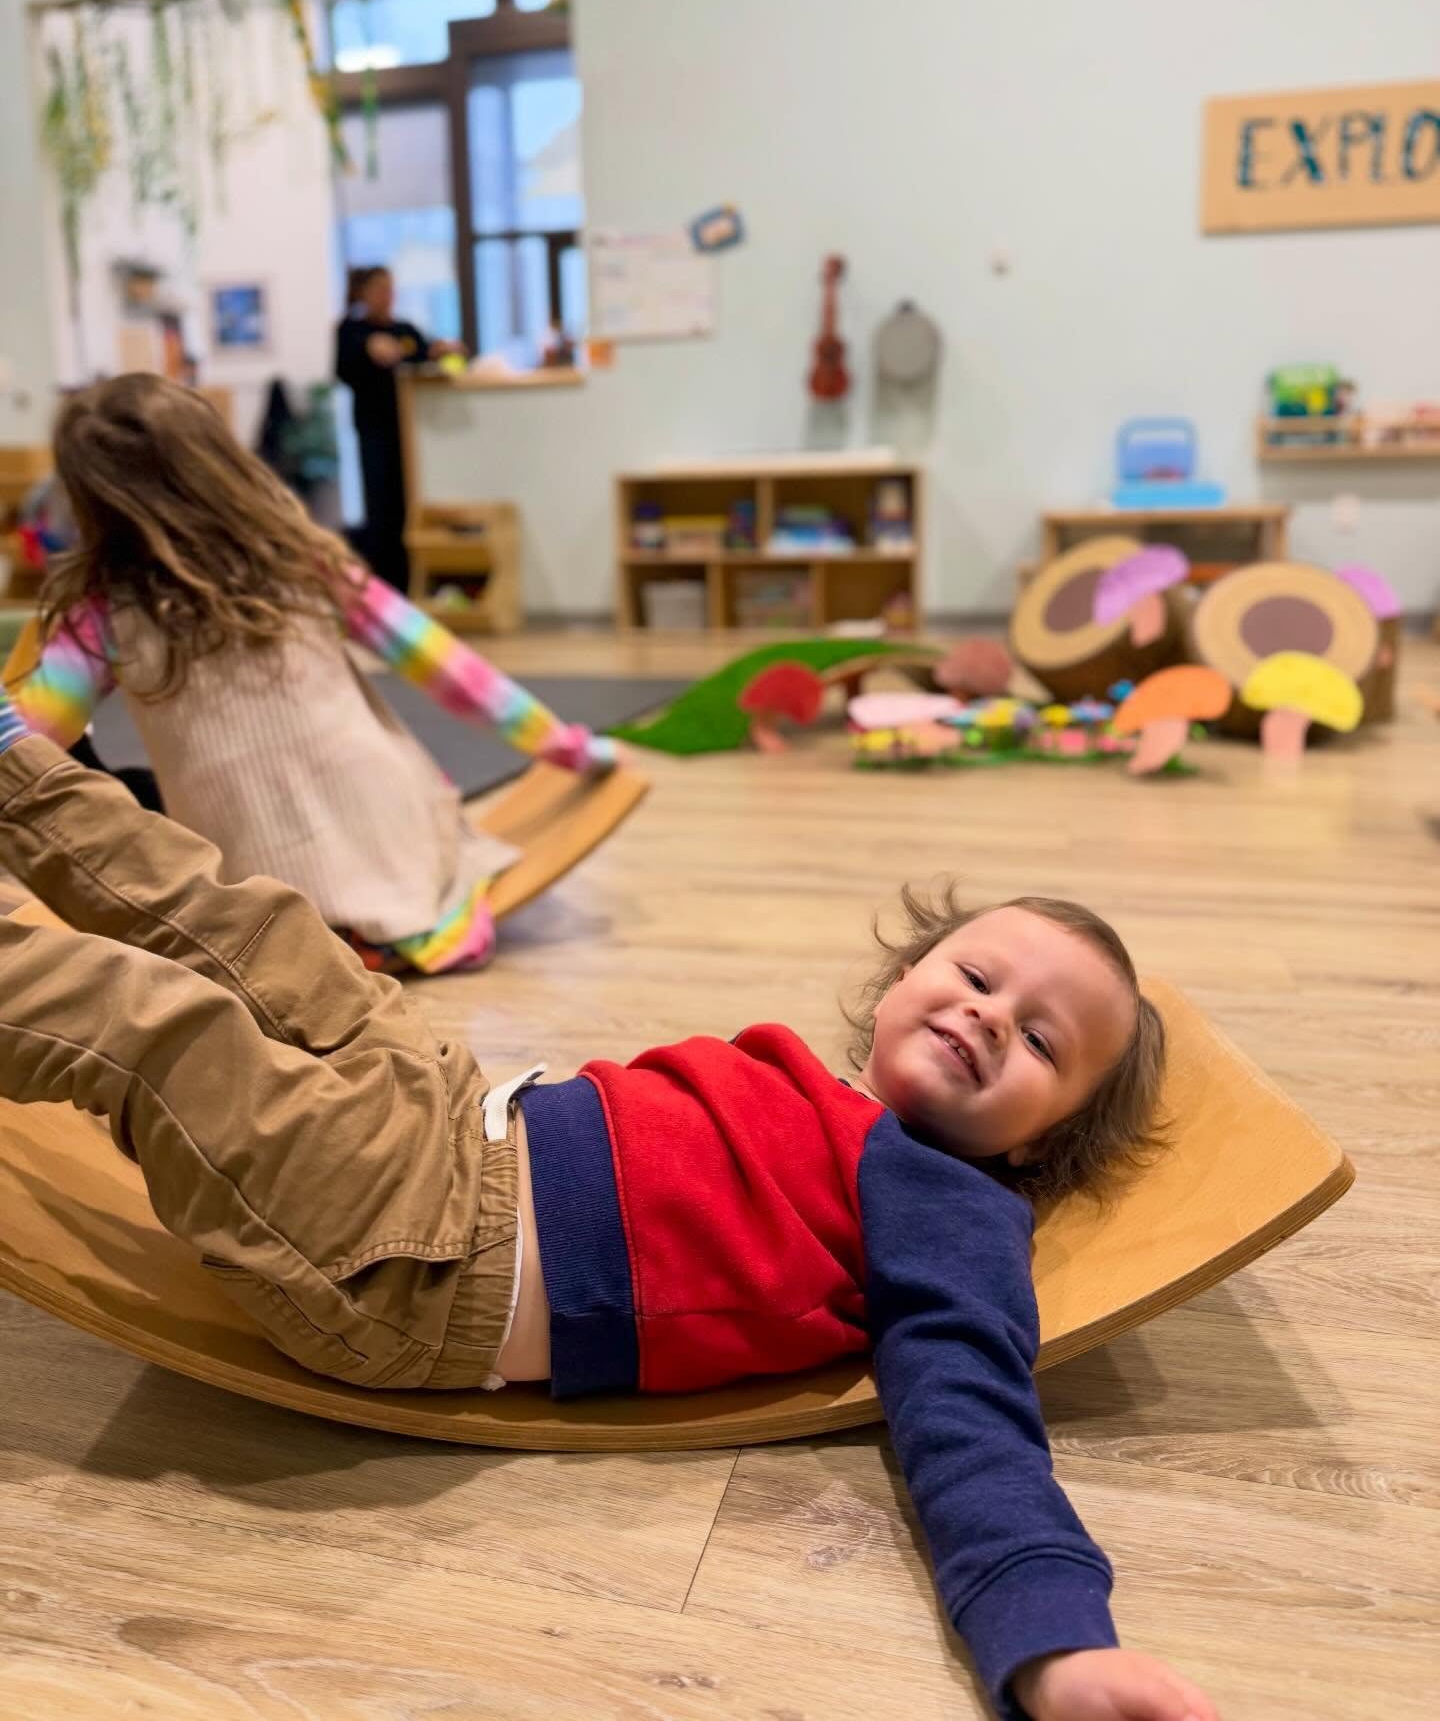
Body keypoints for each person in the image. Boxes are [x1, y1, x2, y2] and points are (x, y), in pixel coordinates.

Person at [0, 703, 1217, 1721]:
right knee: (268, 936)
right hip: (442, 1117)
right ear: (908, 977)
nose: (992, 1014)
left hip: (412, 1260)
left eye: (1040, 1039)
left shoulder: (945, 1197)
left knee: (166, 1027)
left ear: (1047, 1137)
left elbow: (972, 1413)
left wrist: (1058, 1644)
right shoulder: (834, 1100)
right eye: (976, 974)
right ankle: (18, 761)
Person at [8, 373, 613, 975]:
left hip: (250, 891)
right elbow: (448, 669)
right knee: (407, 785)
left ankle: (337, 932)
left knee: (161, 813)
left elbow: (28, 742)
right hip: (391, 842)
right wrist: (564, 746)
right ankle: (385, 925)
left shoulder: (102, 611)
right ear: (220, 462)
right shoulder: (304, 561)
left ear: (89, 497)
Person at [336, 265, 461, 592]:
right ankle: (383, 586)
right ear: (365, 293)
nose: (387, 296)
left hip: (408, 433)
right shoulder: (351, 330)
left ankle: (413, 583)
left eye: (391, 289)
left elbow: (423, 353)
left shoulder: (405, 329)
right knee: (380, 508)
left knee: (408, 506)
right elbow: (343, 370)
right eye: (379, 289)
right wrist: (369, 350)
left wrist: (442, 351)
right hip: (372, 432)